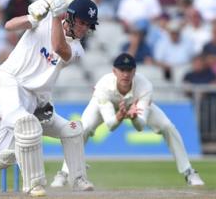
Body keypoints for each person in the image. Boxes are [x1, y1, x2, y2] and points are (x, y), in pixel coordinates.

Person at [0, 0, 97, 196]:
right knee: (27, 127)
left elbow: (59, 47)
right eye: (82, 22)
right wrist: (33, 15)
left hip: (33, 98)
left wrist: (55, 15)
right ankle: (34, 184)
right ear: (71, 17)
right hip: (8, 81)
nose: (84, 28)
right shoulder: (47, 19)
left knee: (70, 131)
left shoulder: (77, 50)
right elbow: (9, 26)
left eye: (88, 25)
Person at [50, 53, 205, 187]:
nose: (125, 74)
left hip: (134, 105)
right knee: (82, 129)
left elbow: (140, 126)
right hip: (105, 105)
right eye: (121, 70)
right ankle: (64, 173)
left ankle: (189, 171)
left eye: (129, 70)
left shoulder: (145, 87)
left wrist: (134, 116)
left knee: (167, 126)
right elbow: (110, 125)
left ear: (134, 71)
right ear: (114, 71)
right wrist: (119, 116)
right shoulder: (103, 86)